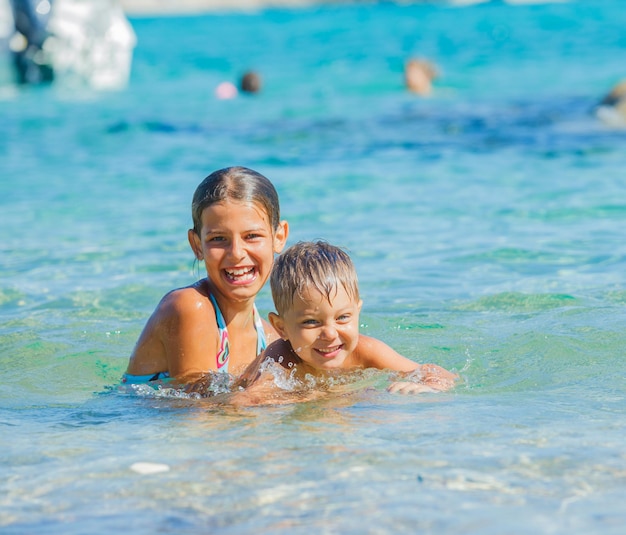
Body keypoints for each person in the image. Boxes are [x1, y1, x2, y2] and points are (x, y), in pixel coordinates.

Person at [123, 166, 289, 385]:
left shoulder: (269, 338)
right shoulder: (190, 307)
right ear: (197, 245)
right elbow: (198, 410)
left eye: (252, 236)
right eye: (218, 239)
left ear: (279, 237)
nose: (237, 253)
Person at [234, 240, 458, 397]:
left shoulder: (366, 351)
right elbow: (250, 401)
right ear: (281, 328)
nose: (330, 333)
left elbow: (436, 372)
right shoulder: (280, 360)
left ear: (357, 312)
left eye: (342, 318)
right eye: (311, 322)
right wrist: (312, 397)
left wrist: (431, 387)